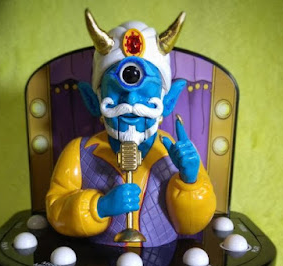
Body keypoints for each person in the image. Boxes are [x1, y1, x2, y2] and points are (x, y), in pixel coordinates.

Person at [46, 10, 216, 247]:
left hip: (163, 260)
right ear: (93, 101)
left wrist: (190, 181)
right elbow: (56, 210)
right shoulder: (78, 153)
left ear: (167, 102)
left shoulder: (175, 153)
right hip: (97, 261)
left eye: (145, 93)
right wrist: (98, 207)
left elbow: (191, 225)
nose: (132, 102)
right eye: (118, 91)